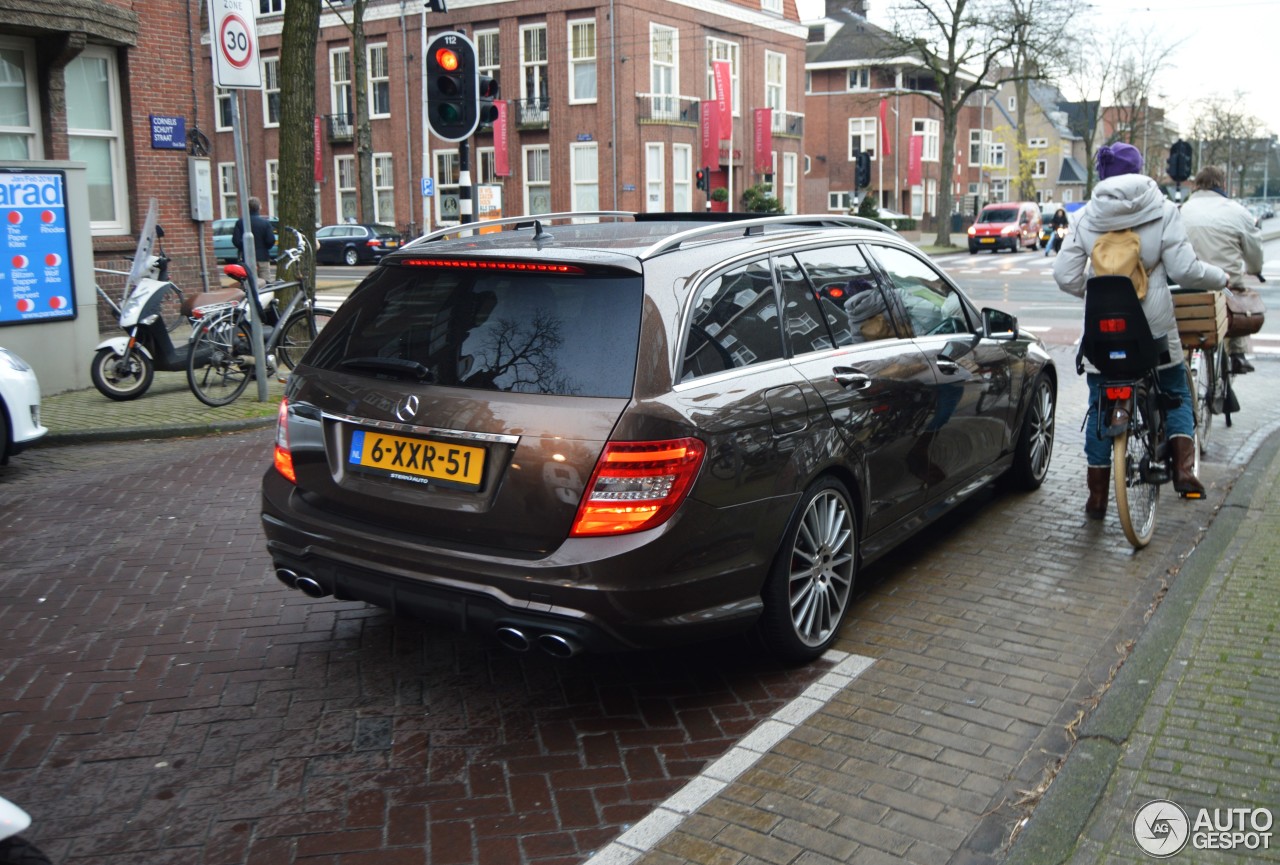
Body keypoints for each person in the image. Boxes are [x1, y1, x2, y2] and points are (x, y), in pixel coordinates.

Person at [1053, 142, 1228, 516]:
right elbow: (1185, 271)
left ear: (1103, 176)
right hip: (1154, 330)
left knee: (1100, 404)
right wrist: (1220, 277)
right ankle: (1183, 471)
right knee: (1175, 390)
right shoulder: (1163, 210)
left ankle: (1097, 497)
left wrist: (1101, 290)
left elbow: (1064, 275)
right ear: (1139, 169)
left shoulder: (1086, 216)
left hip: (1102, 332)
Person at [1178, 165, 1265, 374]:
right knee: (1236, 298)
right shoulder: (1237, 211)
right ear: (1223, 184)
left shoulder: (1182, 210)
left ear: (1196, 185)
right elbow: (1254, 250)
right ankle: (1238, 354)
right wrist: (1254, 268)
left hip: (1188, 284)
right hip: (1226, 284)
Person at [232, 197, 275, 281]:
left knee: (248, 282)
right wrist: (264, 247)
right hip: (262, 257)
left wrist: (244, 247)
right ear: (259, 207)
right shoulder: (265, 223)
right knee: (265, 282)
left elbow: (236, 241)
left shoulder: (240, 222)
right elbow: (270, 240)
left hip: (246, 257)